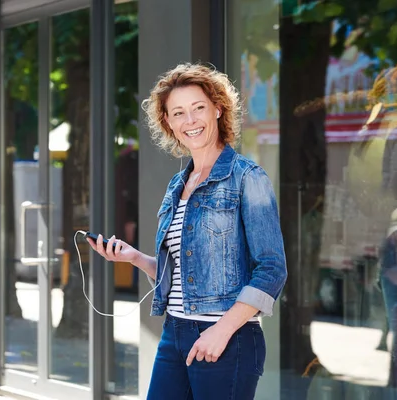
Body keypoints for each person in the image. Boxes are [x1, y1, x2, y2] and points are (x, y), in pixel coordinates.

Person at [87, 63, 287, 399]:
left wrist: (220, 331)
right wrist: (134, 258)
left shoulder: (247, 177)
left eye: (198, 108)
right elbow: (181, 275)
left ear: (218, 110)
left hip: (228, 338)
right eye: (178, 113)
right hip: (174, 334)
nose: (189, 121)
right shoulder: (178, 185)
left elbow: (271, 269)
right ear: (168, 122)